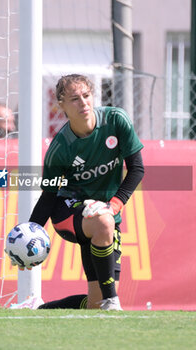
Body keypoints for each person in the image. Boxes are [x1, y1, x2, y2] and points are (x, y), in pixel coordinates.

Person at [10, 74, 144, 311]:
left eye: (86, 95)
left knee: (94, 304)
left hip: (104, 212)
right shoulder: (60, 149)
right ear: (61, 106)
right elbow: (49, 196)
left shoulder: (116, 120)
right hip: (67, 212)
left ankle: (37, 309)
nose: (83, 102)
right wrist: (29, 237)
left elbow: (137, 170)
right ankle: (113, 302)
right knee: (103, 222)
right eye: (74, 99)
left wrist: (113, 205)